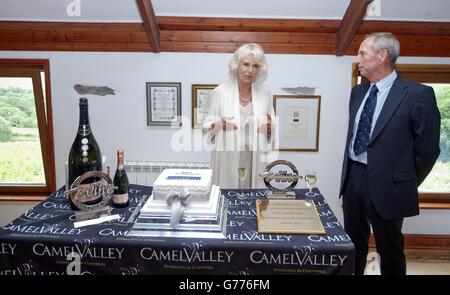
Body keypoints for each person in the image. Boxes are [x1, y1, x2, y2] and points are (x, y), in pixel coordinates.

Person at [339, 32, 441, 275]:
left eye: (363, 53)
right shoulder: (359, 92)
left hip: (389, 184)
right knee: (353, 244)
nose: (358, 59)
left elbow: (428, 149)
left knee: (390, 247)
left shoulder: (418, 94)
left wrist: (403, 180)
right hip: (353, 178)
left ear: (382, 56)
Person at [203, 43, 275, 189]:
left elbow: (271, 127)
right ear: (236, 65)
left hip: (254, 159)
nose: (250, 71)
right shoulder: (220, 92)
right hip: (227, 159)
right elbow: (206, 126)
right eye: (246, 64)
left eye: (255, 66)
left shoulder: (265, 93)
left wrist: (269, 128)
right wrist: (219, 124)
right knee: (229, 201)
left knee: (252, 203)